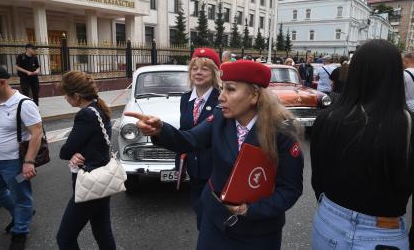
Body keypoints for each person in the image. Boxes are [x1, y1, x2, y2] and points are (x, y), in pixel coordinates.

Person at [127, 60, 304, 250]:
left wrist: (251, 210)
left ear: (254, 95)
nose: (221, 97)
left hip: (259, 231)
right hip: (215, 221)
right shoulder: (220, 119)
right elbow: (190, 140)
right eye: (222, 89)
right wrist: (159, 129)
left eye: (231, 89)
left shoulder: (282, 133)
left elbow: (290, 190)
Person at [310, 39, 413, 249]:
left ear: (355, 72)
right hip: (384, 231)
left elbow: (318, 177)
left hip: (329, 220)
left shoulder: (328, 118)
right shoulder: (407, 124)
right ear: (395, 73)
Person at [56, 71, 116, 250]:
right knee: (102, 230)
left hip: (90, 181)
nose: (65, 98)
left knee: (64, 238)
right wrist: (76, 151)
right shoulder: (98, 107)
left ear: (76, 95)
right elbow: (93, 143)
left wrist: (72, 152)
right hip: (103, 179)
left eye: (66, 95)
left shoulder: (85, 115)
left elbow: (65, 150)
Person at [0, 64, 42, 250]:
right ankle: (23, 214)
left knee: (21, 197)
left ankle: (20, 230)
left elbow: (36, 133)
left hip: (15, 163)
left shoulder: (24, 104)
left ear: (1, 82)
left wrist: (29, 162)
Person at [177, 47, 220, 230]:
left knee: (212, 217)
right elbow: (184, 132)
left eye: (204, 69)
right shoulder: (186, 98)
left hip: (216, 171)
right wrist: (180, 163)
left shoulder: (222, 99)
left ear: (214, 73)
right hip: (194, 170)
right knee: (199, 215)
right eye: (195, 68)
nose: (198, 73)